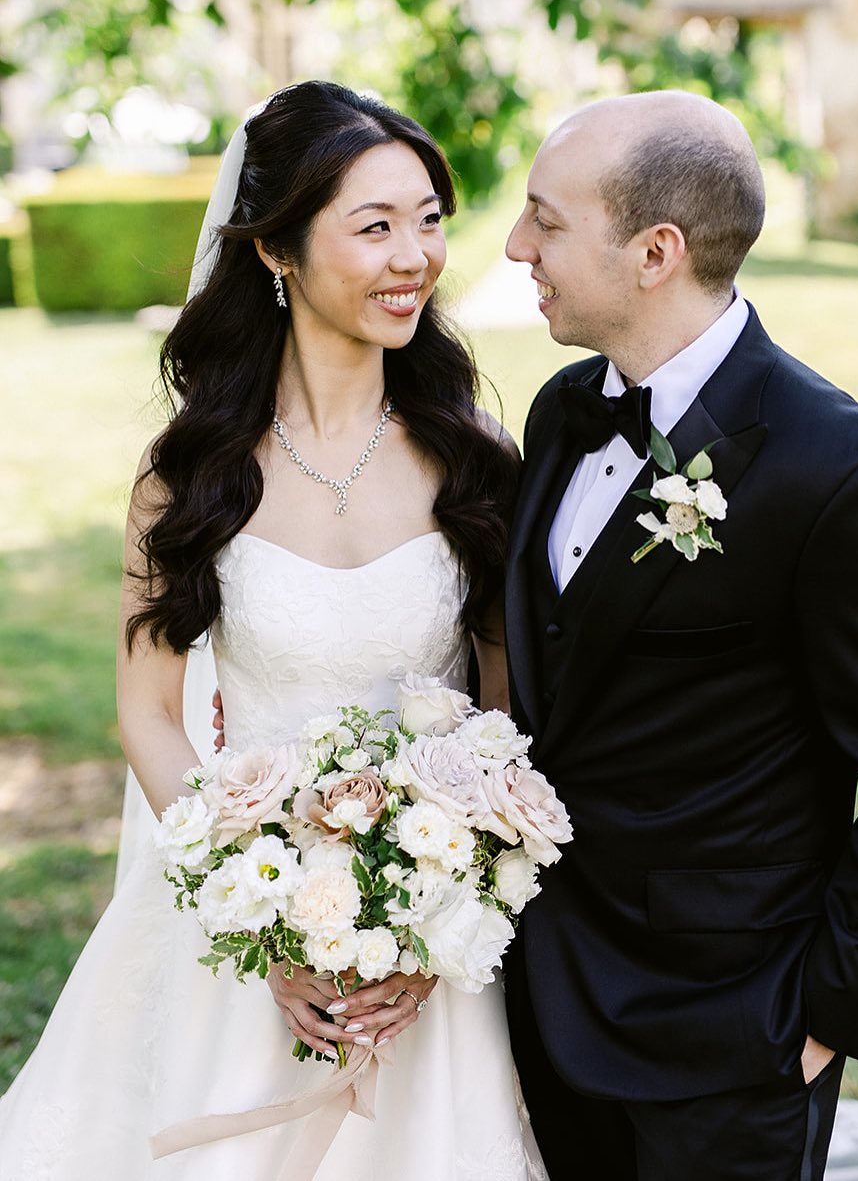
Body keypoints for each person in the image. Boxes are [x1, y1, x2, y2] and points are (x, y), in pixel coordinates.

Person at [0, 81, 544, 1180]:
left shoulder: (473, 459)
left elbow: (504, 707)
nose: (415, 257)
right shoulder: (190, 475)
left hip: (428, 964)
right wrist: (260, 915)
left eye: (429, 219)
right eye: (375, 225)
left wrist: (445, 915)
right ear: (277, 251)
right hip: (235, 935)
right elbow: (149, 713)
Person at [500, 90, 858, 1181]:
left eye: (543, 220)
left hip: (729, 1033)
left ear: (654, 251)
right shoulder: (560, 414)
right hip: (538, 995)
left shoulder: (847, 475)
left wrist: (820, 1018)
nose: (512, 247)